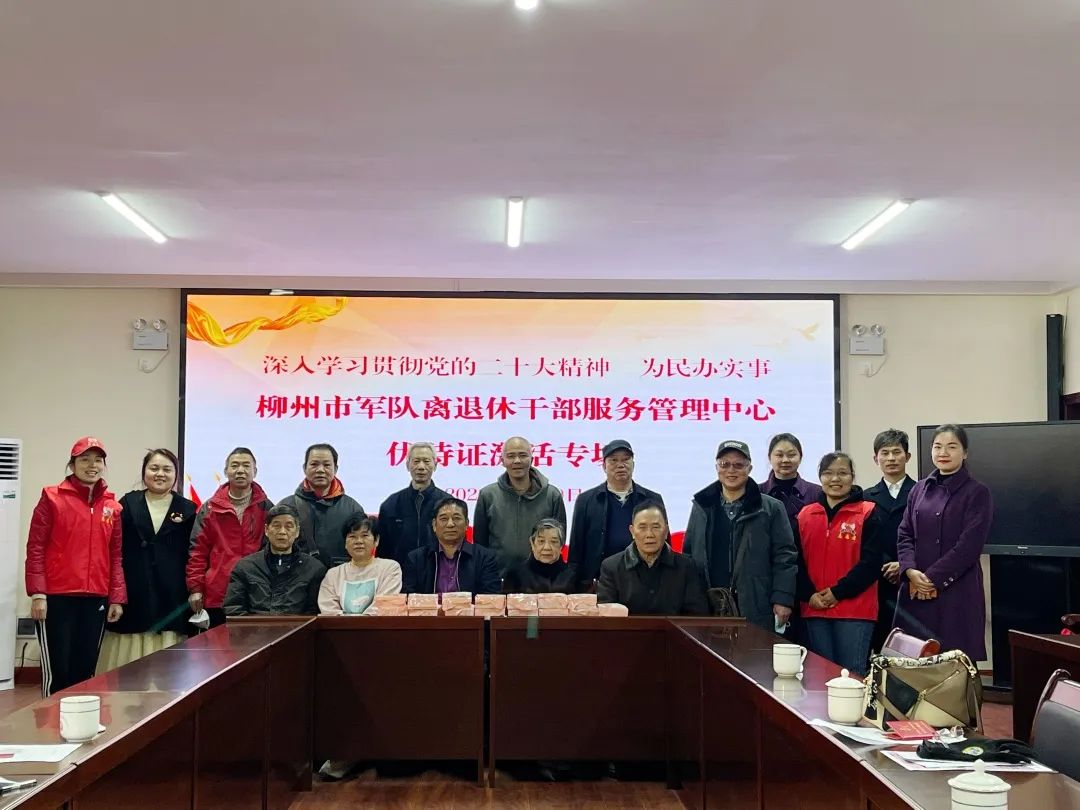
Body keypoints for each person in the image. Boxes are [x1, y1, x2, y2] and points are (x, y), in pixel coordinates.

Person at [25, 437, 126, 695]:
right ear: (72, 464)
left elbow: (115, 555)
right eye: (85, 459)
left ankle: (80, 720)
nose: (92, 465)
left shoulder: (112, 507)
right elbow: (36, 547)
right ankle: (51, 721)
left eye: (98, 460)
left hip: (96, 599)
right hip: (56, 598)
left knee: (85, 672)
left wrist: (116, 598)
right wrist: (38, 594)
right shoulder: (51, 498)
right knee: (58, 671)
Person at [894, 424, 993, 663]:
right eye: (937, 447)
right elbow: (905, 533)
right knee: (911, 663)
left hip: (955, 591)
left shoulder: (977, 492)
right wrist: (910, 571)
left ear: (965, 452)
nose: (943, 453)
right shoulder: (919, 489)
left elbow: (969, 546)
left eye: (952, 447)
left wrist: (931, 579)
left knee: (953, 664)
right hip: (915, 589)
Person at [99, 449, 198, 672]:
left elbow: (195, 553)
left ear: (176, 474)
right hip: (134, 591)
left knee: (170, 664)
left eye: (167, 469)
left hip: (172, 594)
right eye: (154, 468)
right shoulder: (127, 503)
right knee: (128, 663)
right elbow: (114, 550)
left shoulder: (188, 509)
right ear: (144, 472)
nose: (160, 474)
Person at [683, 440, 798, 632]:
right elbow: (689, 554)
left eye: (738, 465)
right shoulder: (701, 506)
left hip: (755, 603)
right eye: (724, 464)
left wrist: (782, 598)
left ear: (749, 468)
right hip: (708, 603)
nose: (731, 470)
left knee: (753, 651)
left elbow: (785, 557)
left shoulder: (771, 508)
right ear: (717, 467)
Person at [795, 452, 885, 674]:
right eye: (828, 473)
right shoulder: (805, 515)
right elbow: (795, 561)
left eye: (842, 473)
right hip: (814, 609)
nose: (835, 479)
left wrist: (837, 593)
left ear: (852, 476)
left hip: (855, 611)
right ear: (820, 477)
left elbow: (871, 564)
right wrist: (809, 595)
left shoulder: (868, 512)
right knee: (819, 676)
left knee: (851, 675)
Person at [186, 447, 273, 627]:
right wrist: (195, 588)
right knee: (217, 644)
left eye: (246, 466)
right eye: (234, 465)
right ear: (226, 471)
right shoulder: (209, 508)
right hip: (218, 594)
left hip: (256, 595)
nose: (240, 470)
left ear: (255, 472)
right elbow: (197, 552)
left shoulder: (266, 508)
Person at [567, 439, 665, 591]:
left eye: (626, 460)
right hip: (600, 583)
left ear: (633, 464)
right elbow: (576, 548)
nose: (620, 465)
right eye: (613, 460)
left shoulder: (652, 499)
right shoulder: (586, 500)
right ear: (604, 466)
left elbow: (665, 543)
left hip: (645, 582)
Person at [474, 436, 566, 575]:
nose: (517, 461)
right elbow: (480, 543)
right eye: (511, 456)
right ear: (502, 461)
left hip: (541, 579)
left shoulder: (552, 495)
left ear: (531, 459)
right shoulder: (488, 495)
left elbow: (558, 540)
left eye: (523, 455)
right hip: (498, 577)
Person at [597, 501, 709, 616]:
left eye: (656, 527)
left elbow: (696, 616)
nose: (649, 534)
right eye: (642, 527)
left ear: (666, 531)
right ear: (632, 531)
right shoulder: (612, 567)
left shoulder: (686, 567)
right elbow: (605, 616)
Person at [863, 429, 917, 654]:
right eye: (885, 453)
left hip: (912, 580)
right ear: (876, 459)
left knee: (912, 648)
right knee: (879, 647)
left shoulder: (922, 492)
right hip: (876, 582)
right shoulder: (865, 497)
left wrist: (904, 565)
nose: (891, 458)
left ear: (908, 456)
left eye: (897, 452)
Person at [224, 504, 326, 615]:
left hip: (298, 626)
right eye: (276, 526)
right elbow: (233, 608)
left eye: (288, 526)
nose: (282, 532)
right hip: (255, 626)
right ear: (266, 530)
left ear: (297, 531)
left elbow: (314, 614)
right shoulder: (246, 567)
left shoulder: (314, 569)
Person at [278, 443, 365, 567]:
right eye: (314, 464)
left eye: (327, 465)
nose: (320, 470)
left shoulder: (352, 509)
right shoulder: (286, 507)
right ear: (304, 468)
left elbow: (362, 550)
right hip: (297, 577)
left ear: (335, 469)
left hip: (340, 576)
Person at [403, 496, 501, 595]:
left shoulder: (484, 558)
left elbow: (491, 598)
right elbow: (409, 598)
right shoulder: (416, 559)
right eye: (444, 519)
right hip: (429, 606)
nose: (450, 524)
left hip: (470, 606)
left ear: (467, 524)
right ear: (434, 525)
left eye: (456, 518)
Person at [376, 442, 449, 567]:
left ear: (435, 465)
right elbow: (383, 551)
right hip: (399, 574)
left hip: (438, 573)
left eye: (426, 461)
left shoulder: (448, 503)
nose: (421, 466)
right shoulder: (391, 505)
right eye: (416, 461)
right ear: (407, 465)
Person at [318, 514, 403, 615]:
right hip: (340, 625)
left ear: (376, 540)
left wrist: (360, 621)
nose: (358, 541)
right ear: (345, 543)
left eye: (365, 536)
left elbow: (384, 605)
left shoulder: (390, 568)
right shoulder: (333, 574)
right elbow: (328, 611)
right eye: (352, 536)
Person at [761, 433, 823, 532]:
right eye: (779, 455)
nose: (785, 460)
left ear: (800, 458)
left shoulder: (816, 492)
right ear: (769, 458)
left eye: (791, 455)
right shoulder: (758, 492)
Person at [503, 518, 581, 594]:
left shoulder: (573, 576)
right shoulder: (515, 575)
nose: (547, 547)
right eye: (541, 541)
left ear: (561, 546)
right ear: (532, 543)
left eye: (553, 542)